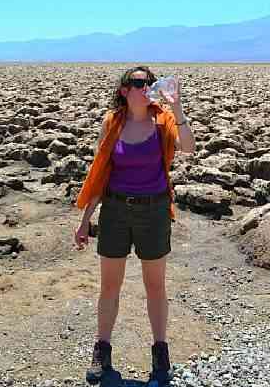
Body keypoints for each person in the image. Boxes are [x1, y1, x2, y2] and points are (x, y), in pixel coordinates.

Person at [72, 65, 196, 385]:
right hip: (115, 210)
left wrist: (177, 106)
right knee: (109, 287)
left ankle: (160, 354)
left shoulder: (163, 119)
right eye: (140, 83)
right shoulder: (112, 122)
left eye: (150, 82)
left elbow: (189, 147)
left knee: (155, 286)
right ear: (125, 90)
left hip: (153, 212)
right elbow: (100, 172)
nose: (147, 87)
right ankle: (102, 352)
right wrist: (85, 220)